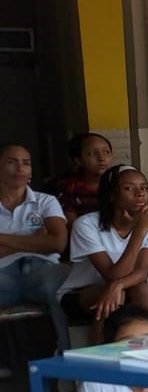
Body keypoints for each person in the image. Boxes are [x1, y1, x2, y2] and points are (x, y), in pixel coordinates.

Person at [57, 165, 148, 342]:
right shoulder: (86, 224)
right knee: (116, 292)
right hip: (80, 294)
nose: (140, 193)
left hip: (124, 287)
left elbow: (142, 273)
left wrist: (118, 285)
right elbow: (112, 275)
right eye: (129, 188)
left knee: (141, 288)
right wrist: (138, 232)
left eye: (144, 188)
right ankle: (100, 349)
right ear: (112, 195)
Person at [0, 143, 71, 357]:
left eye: (26, 163)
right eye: (12, 162)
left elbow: (58, 243)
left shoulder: (45, 201)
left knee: (63, 283)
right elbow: (48, 242)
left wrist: (3, 239)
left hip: (43, 270)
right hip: (3, 275)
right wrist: (36, 240)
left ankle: (67, 355)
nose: (20, 168)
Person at [53, 132, 115, 222]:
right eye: (92, 153)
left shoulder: (119, 184)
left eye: (106, 152)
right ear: (78, 161)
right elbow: (71, 224)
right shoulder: (70, 189)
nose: (102, 158)